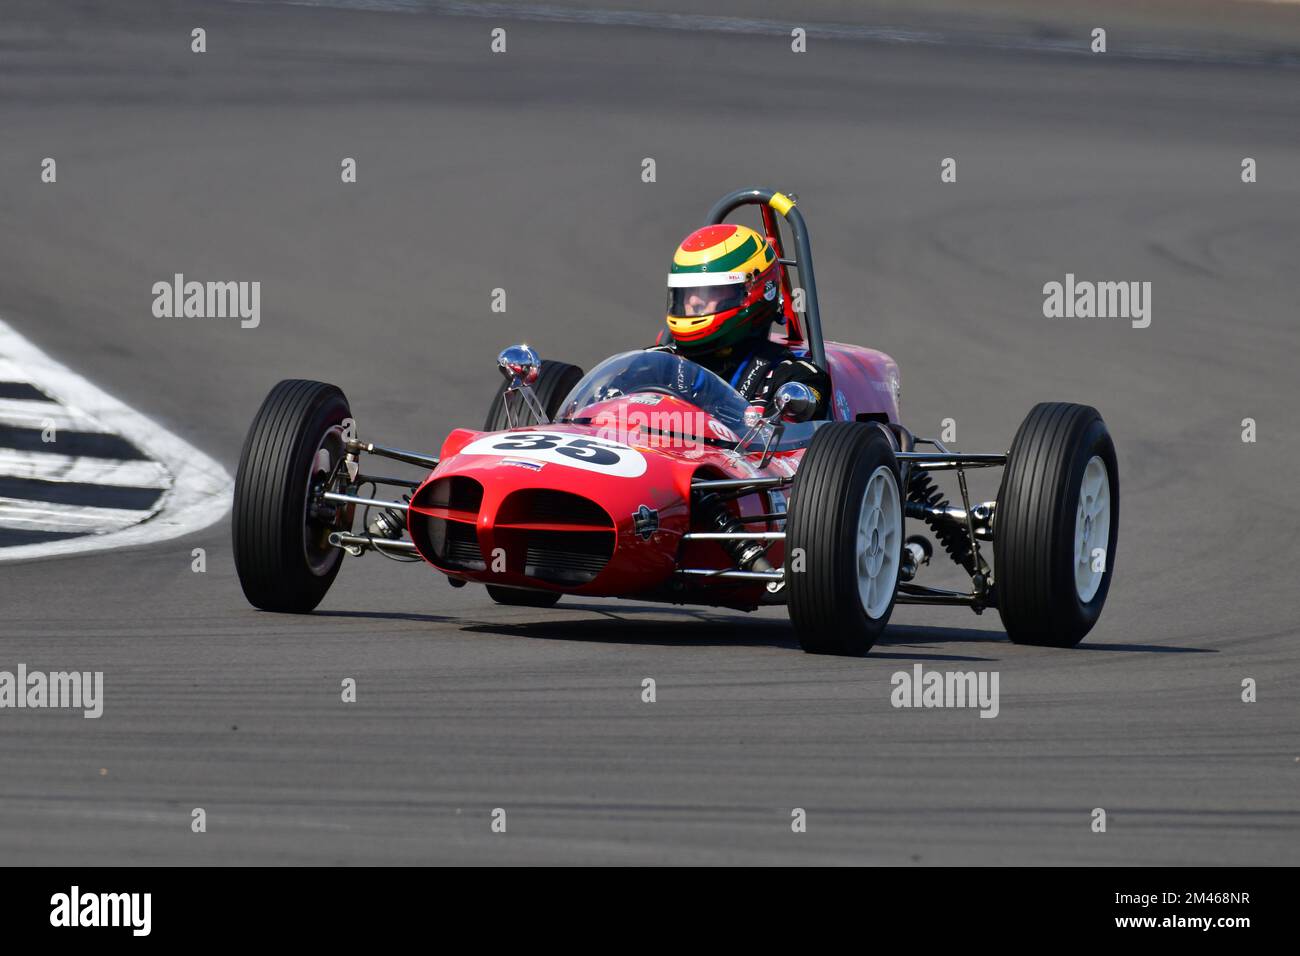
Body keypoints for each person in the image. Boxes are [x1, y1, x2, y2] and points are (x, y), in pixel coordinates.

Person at [654, 223, 830, 417]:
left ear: (752, 292)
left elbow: (801, 438)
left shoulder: (788, 379)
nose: (694, 301)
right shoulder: (658, 364)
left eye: (711, 291)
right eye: (687, 292)